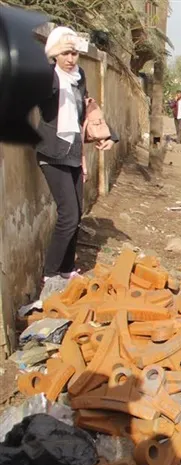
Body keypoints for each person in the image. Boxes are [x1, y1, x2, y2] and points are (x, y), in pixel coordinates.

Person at [37, 27, 117, 286]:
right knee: (68, 214)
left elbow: (87, 110)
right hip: (52, 152)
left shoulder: (79, 76)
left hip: (73, 151)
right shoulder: (48, 77)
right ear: (54, 54)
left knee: (77, 213)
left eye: (74, 53)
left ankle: (66, 269)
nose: (71, 59)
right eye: (65, 54)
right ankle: (50, 274)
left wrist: (108, 135)